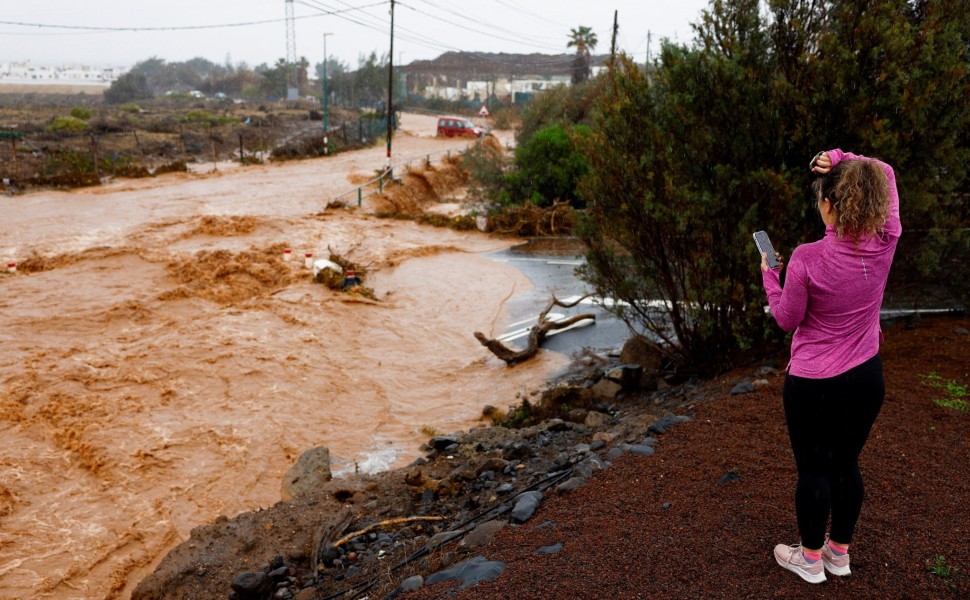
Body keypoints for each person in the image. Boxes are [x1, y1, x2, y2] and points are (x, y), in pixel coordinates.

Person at [760, 148, 900, 584]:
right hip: (866, 376)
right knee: (847, 464)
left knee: (815, 470)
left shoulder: (806, 257)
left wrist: (768, 273)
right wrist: (840, 156)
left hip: (813, 382)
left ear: (829, 205)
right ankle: (839, 554)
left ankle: (811, 559)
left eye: (821, 198)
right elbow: (886, 170)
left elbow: (786, 319)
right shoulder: (887, 238)